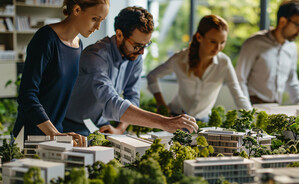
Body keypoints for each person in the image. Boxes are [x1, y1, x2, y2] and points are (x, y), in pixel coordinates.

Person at [63, 7, 198, 136]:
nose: (142, 52)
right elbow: (111, 101)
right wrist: (164, 122)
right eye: (137, 46)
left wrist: (120, 129)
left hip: (102, 127)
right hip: (72, 126)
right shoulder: (95, 55)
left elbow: (132, 97)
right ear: (119, 34)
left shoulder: (135, 57)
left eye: (146, 45)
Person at [12, 0, 110, 146]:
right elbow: (27, 95)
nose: (97, 27)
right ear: (77, 10)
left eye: (101, 21)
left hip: (55, 134)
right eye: (94, 19)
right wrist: (54, 133)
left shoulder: (78, 45)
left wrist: (58, 134)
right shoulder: (46, 38)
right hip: (30, 136)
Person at [147, 15, 252, 122]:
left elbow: (239, 96)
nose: (218, 48)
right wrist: (161, 104)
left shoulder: (224, 63)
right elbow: (152, 76)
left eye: (222, 42)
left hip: (203, 122)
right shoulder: (180, 59)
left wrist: (252, 120)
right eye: (213, 42)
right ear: (199, 37)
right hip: (175, 117)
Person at [236, 0, 299, 105]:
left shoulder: (292, 48)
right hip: (254, 107)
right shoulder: (254, 43)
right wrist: (247, 111)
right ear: (283, 21)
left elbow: (292, 81)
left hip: (275, 108)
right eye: (297, 26)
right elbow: (240, 80)